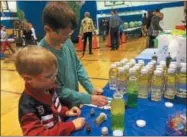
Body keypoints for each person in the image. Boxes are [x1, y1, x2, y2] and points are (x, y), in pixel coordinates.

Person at [39, 2, 107, 108]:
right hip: (59, 110)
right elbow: (59, 90)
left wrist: (91, 89)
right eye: (64, 34)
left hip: (74, 104)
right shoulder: (41, 55)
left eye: (69, 34)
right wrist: (88, 99)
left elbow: (78, 66)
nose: (68, 37)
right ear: (48, 29)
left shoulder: (66, 41)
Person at [16, 46, 85, 136]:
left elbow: (56, 108)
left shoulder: (48, 87)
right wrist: (70, 126)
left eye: (55, 75)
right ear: (28, 79)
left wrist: (65, 112)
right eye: (49, 76)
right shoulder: (27, 106)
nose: (54, 79)